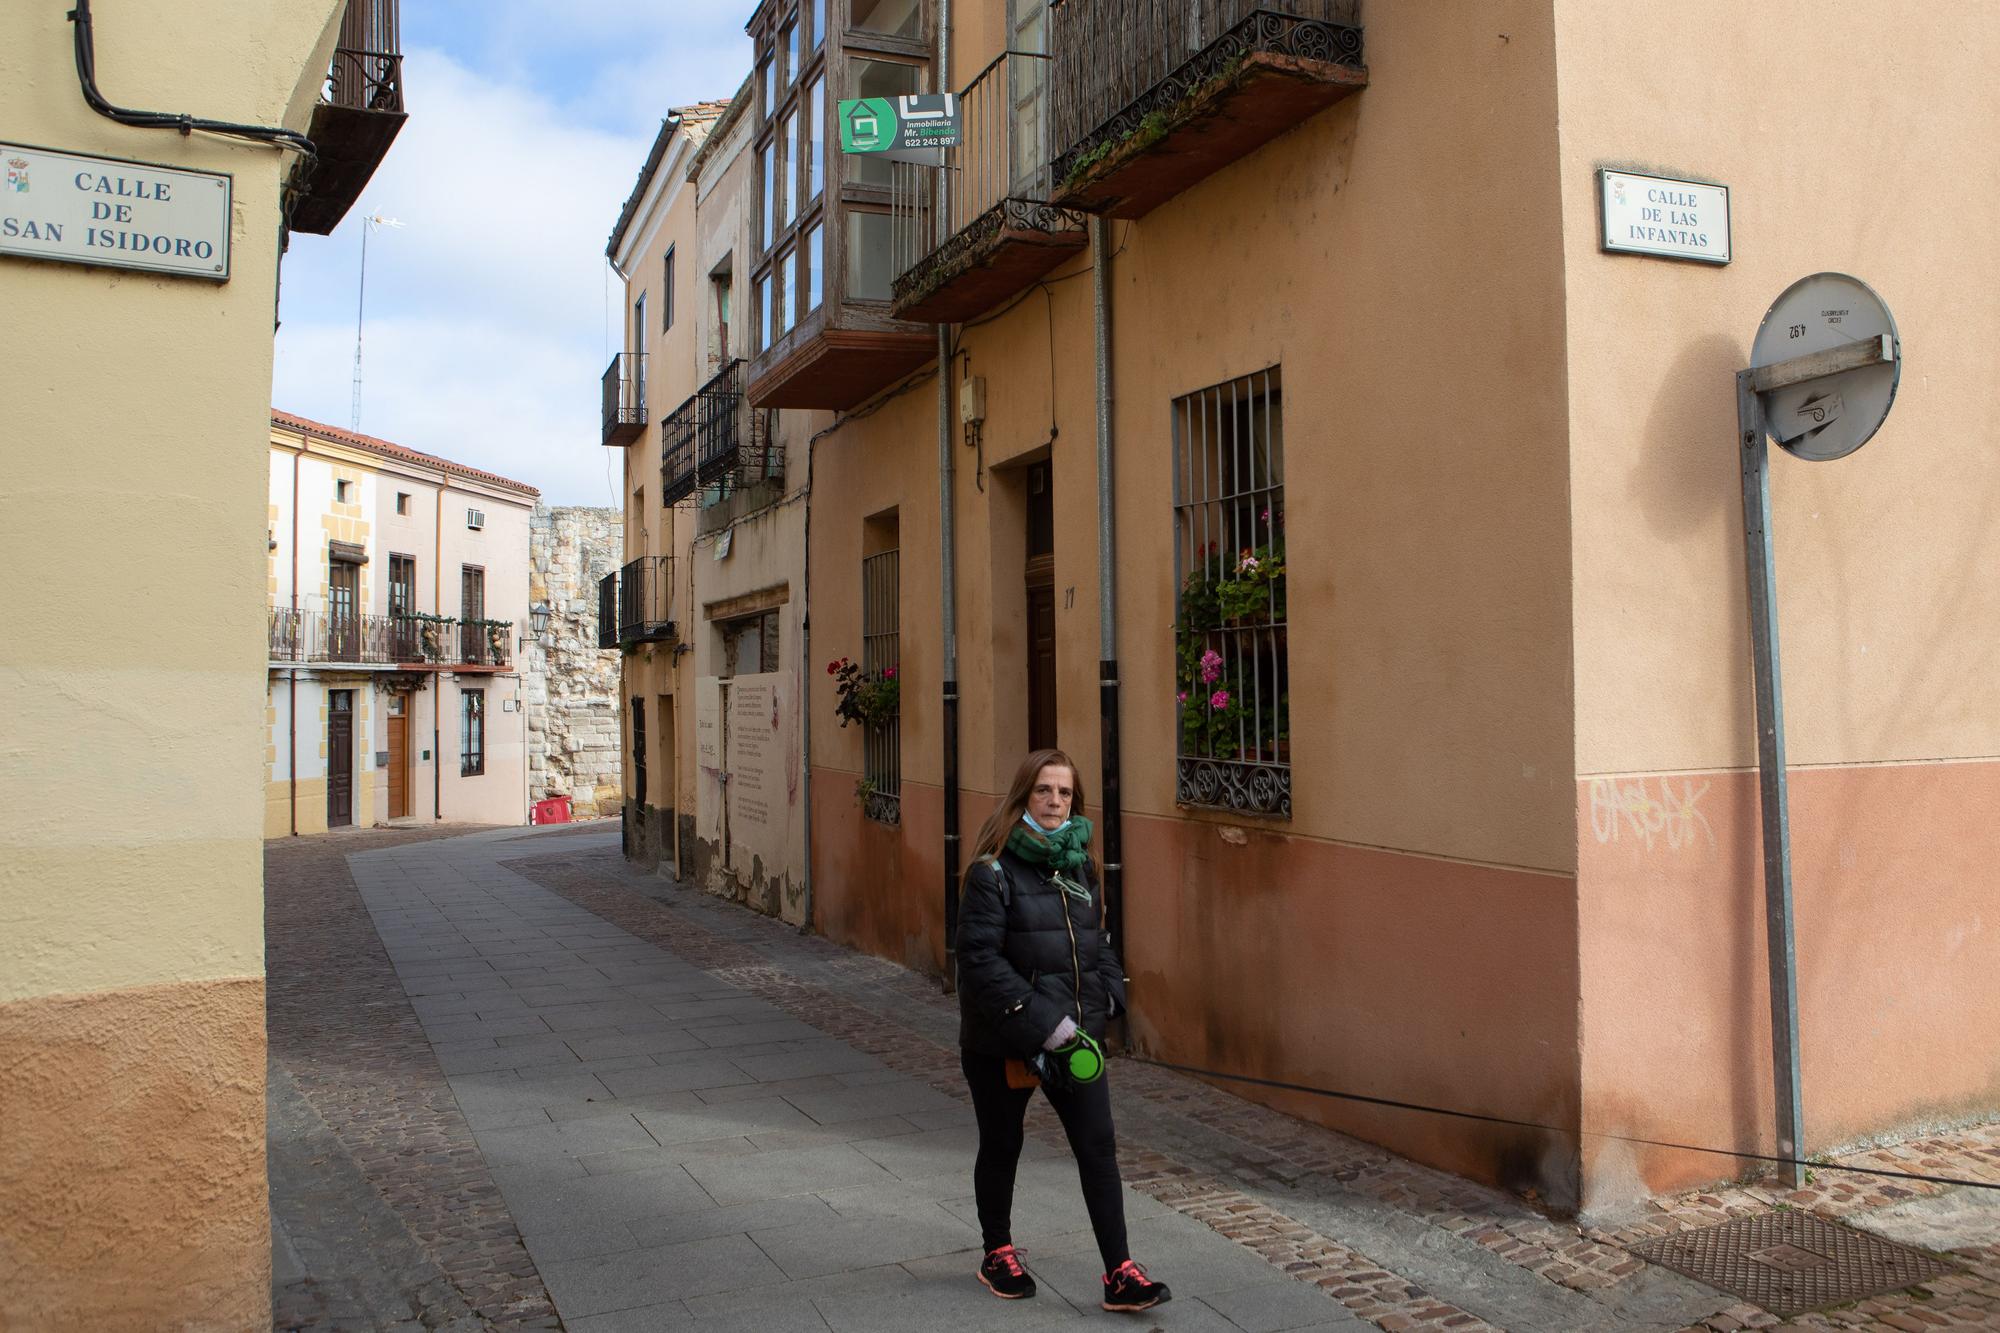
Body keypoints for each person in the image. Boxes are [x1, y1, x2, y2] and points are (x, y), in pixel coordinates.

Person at [954, 747, 1171, 1313]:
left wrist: (1103, 1010)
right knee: (1003, 1145)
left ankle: (1120, 1273)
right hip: (1004, 1040)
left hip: (1076, 1039)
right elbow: (979, 965)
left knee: (1098, 1148)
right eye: (1044, 791)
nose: (1055, 802)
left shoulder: (1080, 864)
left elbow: (1096, 946)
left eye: (1065, 792)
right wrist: (1049, 1027)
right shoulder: (991, 872)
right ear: (1024, 796)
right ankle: (997, 1251)